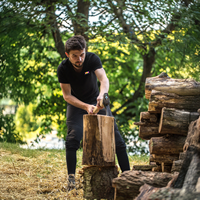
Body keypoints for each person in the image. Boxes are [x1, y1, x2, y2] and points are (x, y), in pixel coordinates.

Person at [57, 35, 130, 189]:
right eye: (74, 56)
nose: (79, 59)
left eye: (82, 54)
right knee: (72, 139)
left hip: (97, 101)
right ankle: (71, 180)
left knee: (117, 140)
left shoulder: (92, 59)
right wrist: (85, 107)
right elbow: (67, 96)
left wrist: (102, 95)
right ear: (67, 55)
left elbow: (104, 79)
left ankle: (128, 176)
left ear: (85, 51)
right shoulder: (63, 69)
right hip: (76, 104)